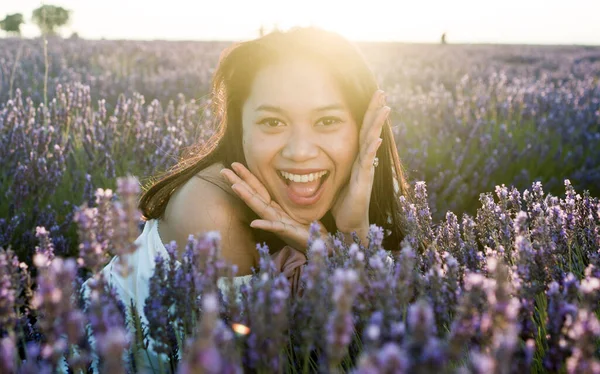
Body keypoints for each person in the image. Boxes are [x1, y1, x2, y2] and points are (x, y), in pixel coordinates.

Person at [62, 26, 413, 373]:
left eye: (327, 120)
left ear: (362, 127)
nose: (301, 151)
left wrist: (350, 231)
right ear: (240, 128)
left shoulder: (354, 188)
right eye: (273, 121)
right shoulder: (215, 214)